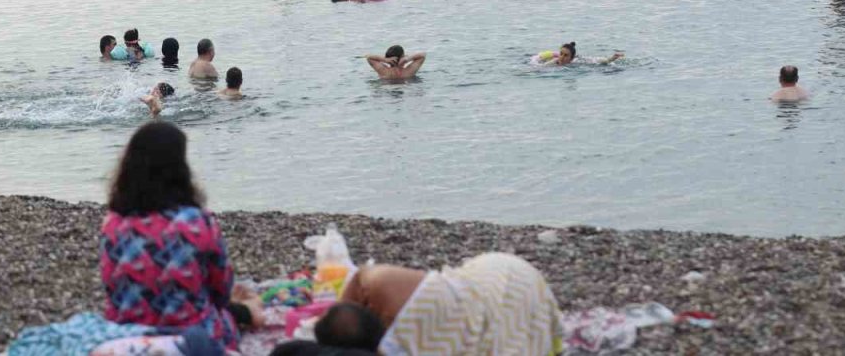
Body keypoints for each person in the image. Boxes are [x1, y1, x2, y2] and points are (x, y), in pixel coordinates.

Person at [100, 123, 263, 349]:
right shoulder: (196, 221)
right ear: (179, 168)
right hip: (190, 338)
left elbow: (113, 289)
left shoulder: (113, 223)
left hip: (127, 337)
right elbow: (221, 291)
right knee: (243, 312)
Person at [317, 253, 562, 355]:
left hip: (501, 284)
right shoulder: (387, 290)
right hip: (508, 280)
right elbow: (361, 276)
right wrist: (343, 305)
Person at [534, 41, 622, 66]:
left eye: (566, 55)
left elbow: (597, 61)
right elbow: (540, 68)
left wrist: (611, 59)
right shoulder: (553, 62)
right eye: (561, 53)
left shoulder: (578, 62)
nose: (562, 57)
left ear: (572, 58)